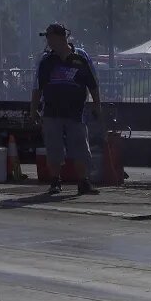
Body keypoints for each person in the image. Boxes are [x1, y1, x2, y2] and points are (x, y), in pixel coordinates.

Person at [31, 23, 102, 195]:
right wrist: (33, 109)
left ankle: (83, 182)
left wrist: (97, 105)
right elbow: (37, 87)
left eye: (51, 37)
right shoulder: (46, 60)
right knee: (54, 148)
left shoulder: (81, 57)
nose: (49, 41)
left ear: (62, 37)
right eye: (47, 38)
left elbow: (93, 84)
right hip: (51, 112)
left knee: (80, 147)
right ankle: (55, 181)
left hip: (75, 112)